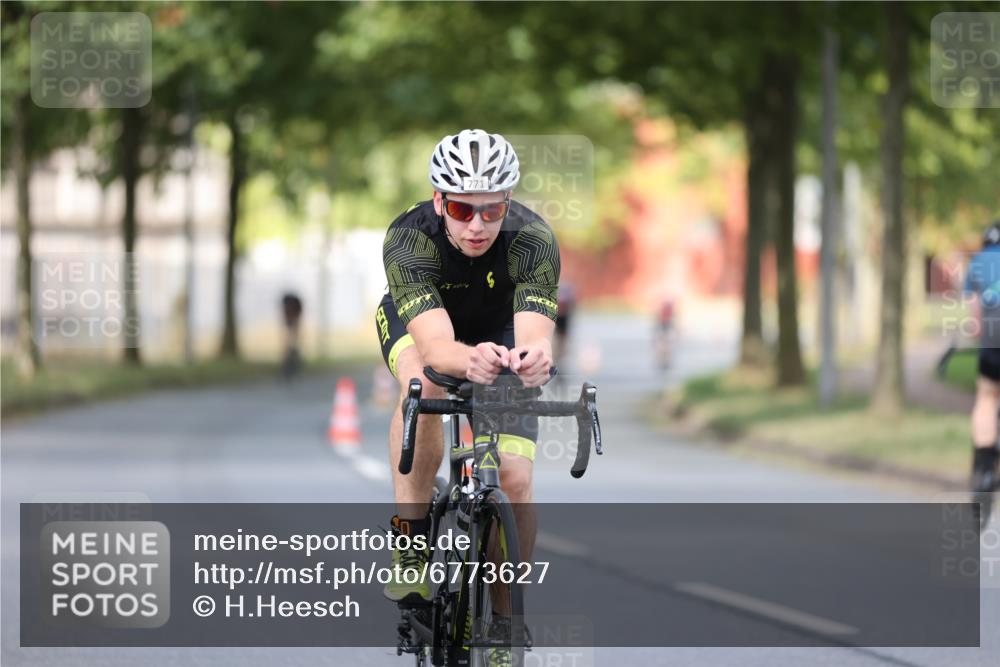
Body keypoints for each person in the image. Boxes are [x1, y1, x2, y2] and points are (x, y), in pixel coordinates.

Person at [374, 131, 559, 623]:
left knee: (516, 480)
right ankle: (410, 544)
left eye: (491, 211)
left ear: (508, 201)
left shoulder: (533, 239)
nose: (477, 225)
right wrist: (469, 360)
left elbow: (534, 336)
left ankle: (505, 621)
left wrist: (534, 358)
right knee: (425, 383)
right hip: (424, 323)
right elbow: (436, 349)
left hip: (498, 326)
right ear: (439, 200)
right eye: (461, 211)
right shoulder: (409, 237)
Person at [964, 219, 1000, 498]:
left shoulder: (976, 264)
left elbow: (975, 322)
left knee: (987, 398)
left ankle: (985, 469)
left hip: (992, 346)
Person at [554, 281, 577, 371]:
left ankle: (560, 357)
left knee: (562, 341)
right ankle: (557, 356)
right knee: (557, 341)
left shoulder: (566, 288)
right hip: (556, 317)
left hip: (563, 319)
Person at [280, 292, 303, 379]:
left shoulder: (296, 306)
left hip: (295, 313)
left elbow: (296, 319)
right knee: (288, 340)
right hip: (293, 315)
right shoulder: (286, 307)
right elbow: (286, 319)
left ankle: (294, 359)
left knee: (294, 339)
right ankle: (288, 360)